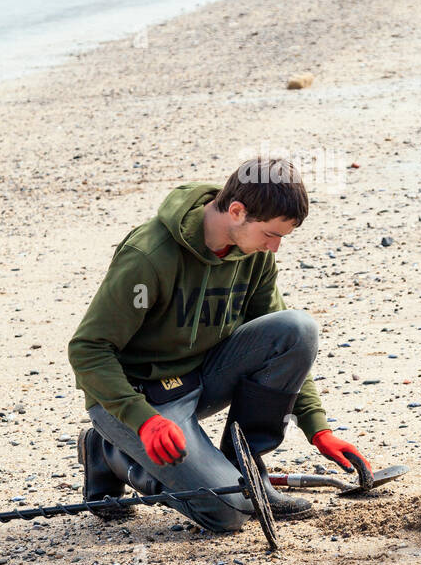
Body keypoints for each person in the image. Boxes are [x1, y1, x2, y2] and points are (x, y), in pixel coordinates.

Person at [68, 162, 373, 533]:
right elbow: (88, 349)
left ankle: (246, 468)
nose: (274, 248)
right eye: (270, 234)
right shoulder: (148, 256)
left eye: (281, 238)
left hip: (199, 379)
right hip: (138, 400)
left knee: (298, 327)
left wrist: (317, 428)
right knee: (229, 514)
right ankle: (111, 453)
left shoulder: (253, 254)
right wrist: (141, 419)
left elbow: (283, 340)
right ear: (236, 211)